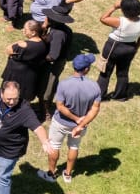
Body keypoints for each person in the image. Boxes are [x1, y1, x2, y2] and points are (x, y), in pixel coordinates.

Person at [0, 81, 50, 194]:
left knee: (2, 175)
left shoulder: (24, 110)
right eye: (9, 98)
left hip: (9, 150)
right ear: (2, 93)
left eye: (15, 98)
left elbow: (38, 128)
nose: (12, 102)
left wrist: (45, 142)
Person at [39, 54, 102, 183]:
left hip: (60, 123)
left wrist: (75, 118)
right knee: (74, 147)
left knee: (54, 146)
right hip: (79, 127)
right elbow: (95, 109)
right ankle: (68, 175)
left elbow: (60, 107)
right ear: (86, 69)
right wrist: (80, 123)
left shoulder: (63, 84)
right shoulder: (95, 86)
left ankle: (51, 174)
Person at [97, 0, 140, 101]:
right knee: (123, 73)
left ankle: (100, 95)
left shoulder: (120, 21)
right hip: (130, 47)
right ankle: (120, 95)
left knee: (105, 71)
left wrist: (113, 7)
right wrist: (136, 47)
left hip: (114, 46)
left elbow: (103, 18)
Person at [36, 9, 75, 122]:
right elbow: (48, 39)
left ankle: (46, 112)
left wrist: (38, 57)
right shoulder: (58, 28)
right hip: (53, 63)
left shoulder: (58, 34)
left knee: (47, 88)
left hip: (53, 65)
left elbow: (53, 55)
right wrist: (44, 27)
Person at [2, 20, 48, 107]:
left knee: (12, 95)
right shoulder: (42, 45)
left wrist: (18, 42)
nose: (23, 30)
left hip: (16, 75)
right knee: (24, 99)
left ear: (33, 32)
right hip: (30, 76)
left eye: (25, 29)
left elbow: (8, 49)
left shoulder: (23, 46)